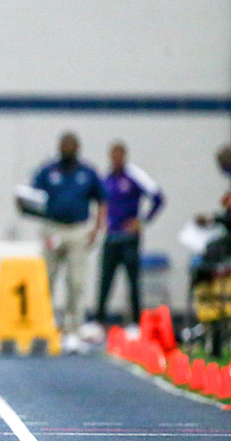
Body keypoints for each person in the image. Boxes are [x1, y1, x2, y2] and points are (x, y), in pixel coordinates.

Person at [24, 132, 106, 352]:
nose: (66, 148)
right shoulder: (48, 171)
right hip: (53, 229)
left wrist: (97, 230)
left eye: (70, 145)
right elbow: (33, 197)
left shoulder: (87, 172)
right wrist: (41, 225)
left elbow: (102, 200)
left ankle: (72, 329)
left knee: (76, 282)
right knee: (46, 280)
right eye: (63, 145)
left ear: (77, 147)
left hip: (78, 230)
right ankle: (45, 326)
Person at [95, 142, 165, 329]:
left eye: (119, 155)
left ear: (125, 155)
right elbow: (100, 202)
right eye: (113, 155)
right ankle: (99, 320)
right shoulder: (106, 178)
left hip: (128, 238)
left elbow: (158, 197)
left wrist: (142, 221)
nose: (116, 159)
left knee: (132, 280)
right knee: (105, 280)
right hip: (111, 236)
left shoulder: (134, 175)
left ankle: (135, 321)